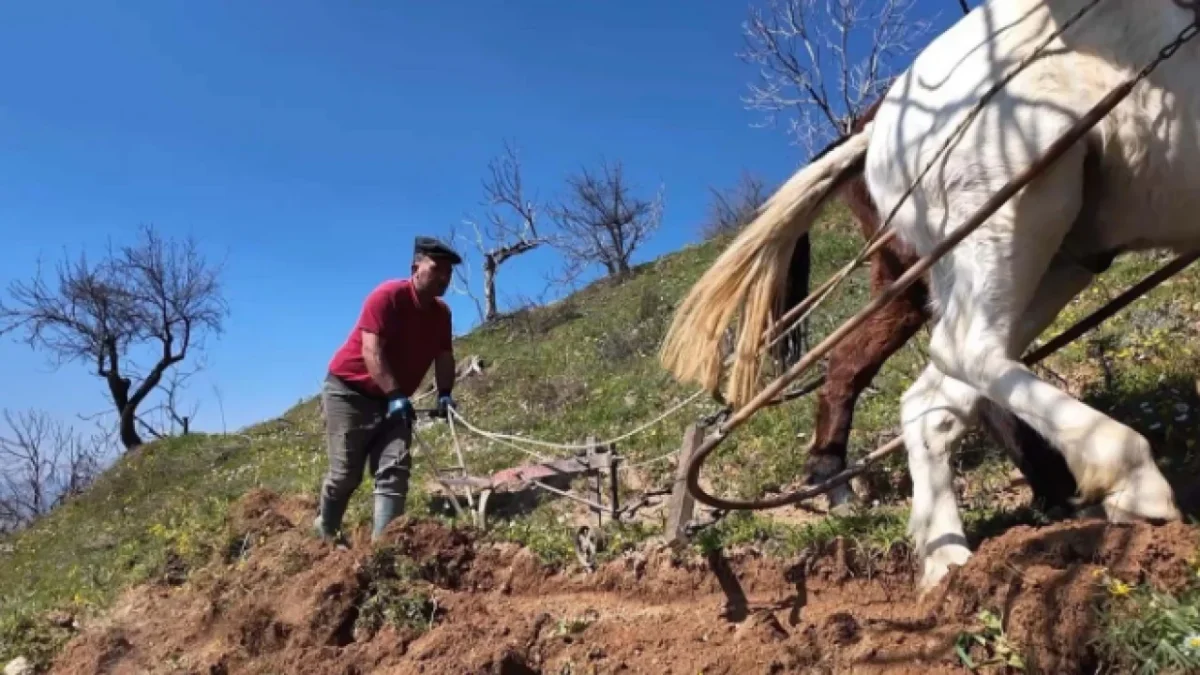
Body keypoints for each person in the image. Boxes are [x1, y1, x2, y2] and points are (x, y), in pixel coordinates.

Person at [314, 235, 462, 543]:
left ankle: (383, 549)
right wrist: (395, 395)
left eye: (449, 272)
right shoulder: (387, 297)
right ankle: (326, 531)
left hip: (395, 402)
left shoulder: (442, 314)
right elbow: (372, 351)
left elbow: (444, 356)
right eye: (437, 269)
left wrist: (444, 393)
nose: (444, 278)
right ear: (415, 267)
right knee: (345, 475)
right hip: (349, 392)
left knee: (395, 471)